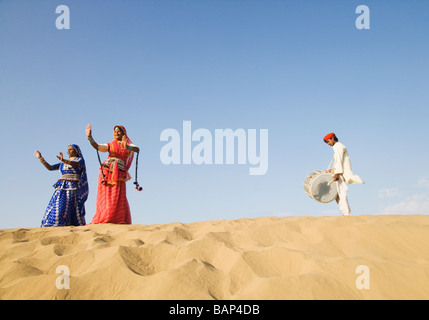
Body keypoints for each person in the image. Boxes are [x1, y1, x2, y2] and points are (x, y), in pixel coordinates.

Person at [86, 124, 140, 224]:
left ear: (124, 133)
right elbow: (98, 147)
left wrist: (126, 146)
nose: (116, 133)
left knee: (119, 195)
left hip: (120, 172)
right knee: (106, 195)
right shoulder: (110, 145)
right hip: (107, 171)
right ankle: (106, 217)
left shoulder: (129, 144)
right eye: (115, 131)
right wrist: (90, 138)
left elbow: (137, 149)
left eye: (118, 131)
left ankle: (117, 218)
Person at [35, 144, 88, 227]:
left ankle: (71, 223)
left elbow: (74, 164)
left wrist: (64, 160)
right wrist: (41, 158)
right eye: (68, 149)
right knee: (58, 205)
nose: (68, 151)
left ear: (76, 151)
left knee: (72, 205)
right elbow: (50, 168)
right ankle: (55, 223)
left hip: (73, 186)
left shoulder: (79, 160)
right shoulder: (62, 163)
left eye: (71, 149)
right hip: (62, 186)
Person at [324, 133, 364, 216]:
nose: (328, 144)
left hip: (340, 174)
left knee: (342, 193)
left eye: (328, 141)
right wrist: (332, 170)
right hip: (339, 172)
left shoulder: (337, 146)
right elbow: (339, 162)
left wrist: (337, 173)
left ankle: (347, 215)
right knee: (337, 195)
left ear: (332, 138)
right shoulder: (338, 146)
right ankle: (345, 213)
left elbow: (339, 160)